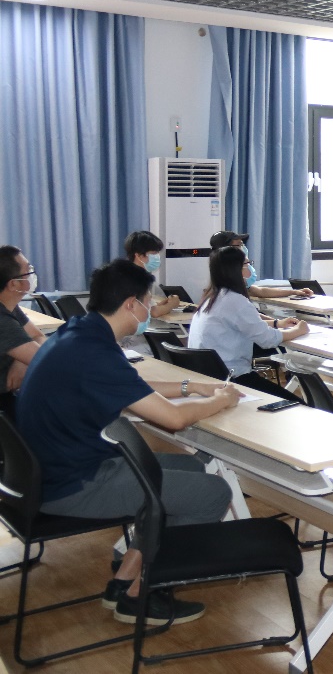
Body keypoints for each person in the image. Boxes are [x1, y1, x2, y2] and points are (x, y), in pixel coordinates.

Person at [16, 259, 240, 625]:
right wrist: (221, 400)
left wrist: (192, 387)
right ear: (131, 304)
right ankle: (143, 595)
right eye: (148, 301)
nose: (151, 308)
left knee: (190, 466)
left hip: (53, 470)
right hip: (73, 484)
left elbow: (130, 386)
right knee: (213, 492)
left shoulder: (78, 334)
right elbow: (174, 419)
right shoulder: (96, 351)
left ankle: (125, 580)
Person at [188, 246, 309, 395]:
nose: (250, 267)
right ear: (236, 269)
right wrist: (299, 330)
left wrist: (277, 323)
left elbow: (242, 324)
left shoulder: (212, 297)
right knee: (296, 403)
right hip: (232, 378)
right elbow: (268, 339)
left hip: (209, 375)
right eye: (247, 263)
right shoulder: (234, 300)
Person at [120, 230, 182, 353]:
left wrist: (161, 305)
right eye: (153, 253)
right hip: (134, 342)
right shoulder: (137, 279)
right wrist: (172, 304)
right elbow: (154, 312)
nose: (157, 257)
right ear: (139, 256)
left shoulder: (125, 273)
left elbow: (145, 307)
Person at [208, 231, 313, 299]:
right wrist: (277, 323)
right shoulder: (229, 294)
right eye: (240, 244)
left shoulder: (231, 284)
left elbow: (261, 291)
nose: (243, 248)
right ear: (227, 251)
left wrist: (294, 292)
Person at [0, 246, 46, 392]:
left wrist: (22, 362)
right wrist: (28, 358)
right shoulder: (2, 320)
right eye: (28, 270)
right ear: (13, 284)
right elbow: (46, 361)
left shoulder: (9, 305)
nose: (32, 274)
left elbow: (38, 336)